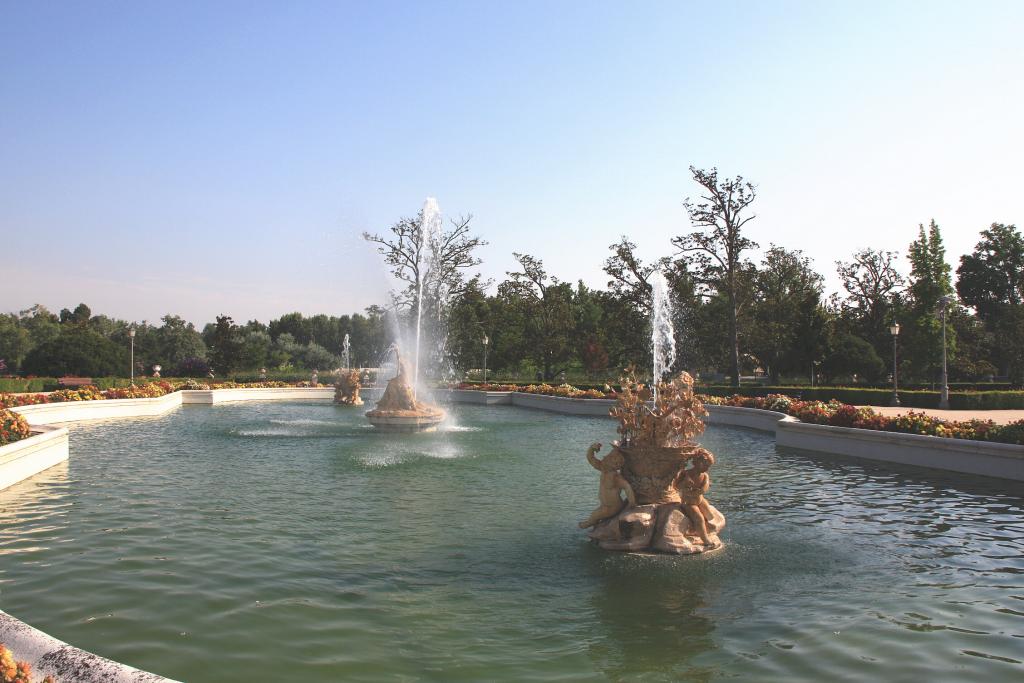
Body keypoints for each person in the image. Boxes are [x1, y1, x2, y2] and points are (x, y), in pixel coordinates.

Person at [674, 448, 719, 548]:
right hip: (689, 502)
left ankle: (701, 528)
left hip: (700, 499)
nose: (707, 468)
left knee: (709, 514)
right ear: (697, 462)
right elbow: (676, 486)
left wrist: (702, 490)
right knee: (699, 518)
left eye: (709, 466)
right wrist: (685, 483)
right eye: (706, 465)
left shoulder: (705, 475)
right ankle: (705, 540)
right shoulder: (686, 474)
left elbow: (704, 487)